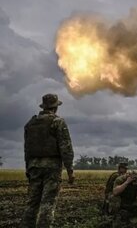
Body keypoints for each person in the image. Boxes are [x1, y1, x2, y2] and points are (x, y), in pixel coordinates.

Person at [20, 93, 75, 228]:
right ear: (55, 107)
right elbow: (65, 147)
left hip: (33, 166)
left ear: (43, 106)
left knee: (32, 203)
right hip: (52, 167)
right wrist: (70, 171)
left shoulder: (30, 124)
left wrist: (28, 167)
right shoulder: (58, 122)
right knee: (47, 203)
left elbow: (27, 149)